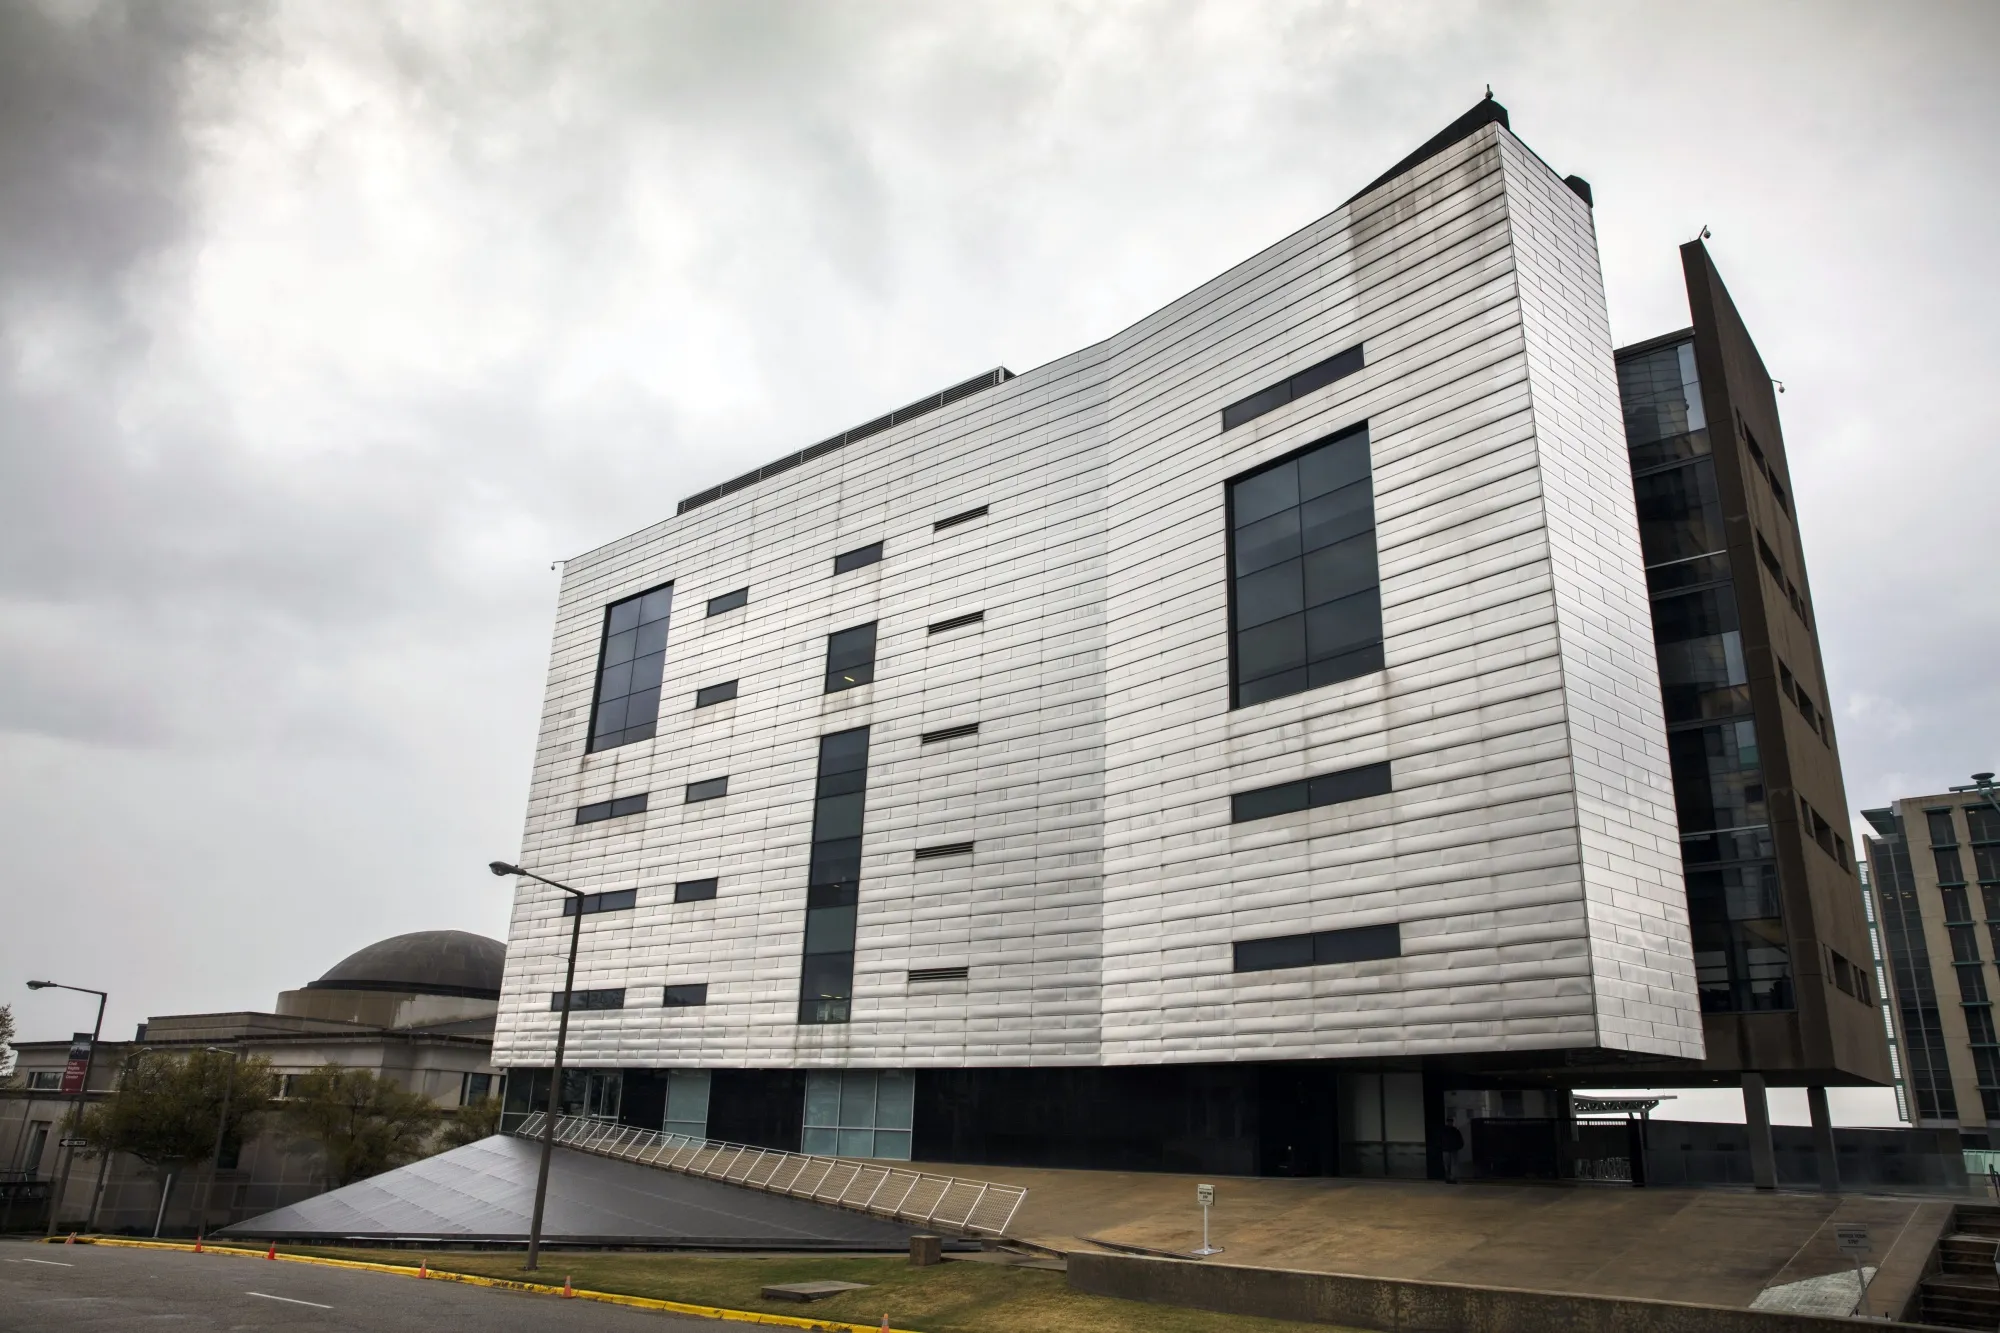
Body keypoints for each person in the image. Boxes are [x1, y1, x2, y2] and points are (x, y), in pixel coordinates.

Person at [1440, 1117, 1465, 1184]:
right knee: (1451, 1165)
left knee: (1449, 1165)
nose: (1450, 1123)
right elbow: (1460, 1141)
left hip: (1448, 1150)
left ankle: (1450, 1178)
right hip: (1450, 1150)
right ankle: (1451, 1178)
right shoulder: (1455, 1131)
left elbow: (1460, 1141)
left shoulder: (1446, 1131)